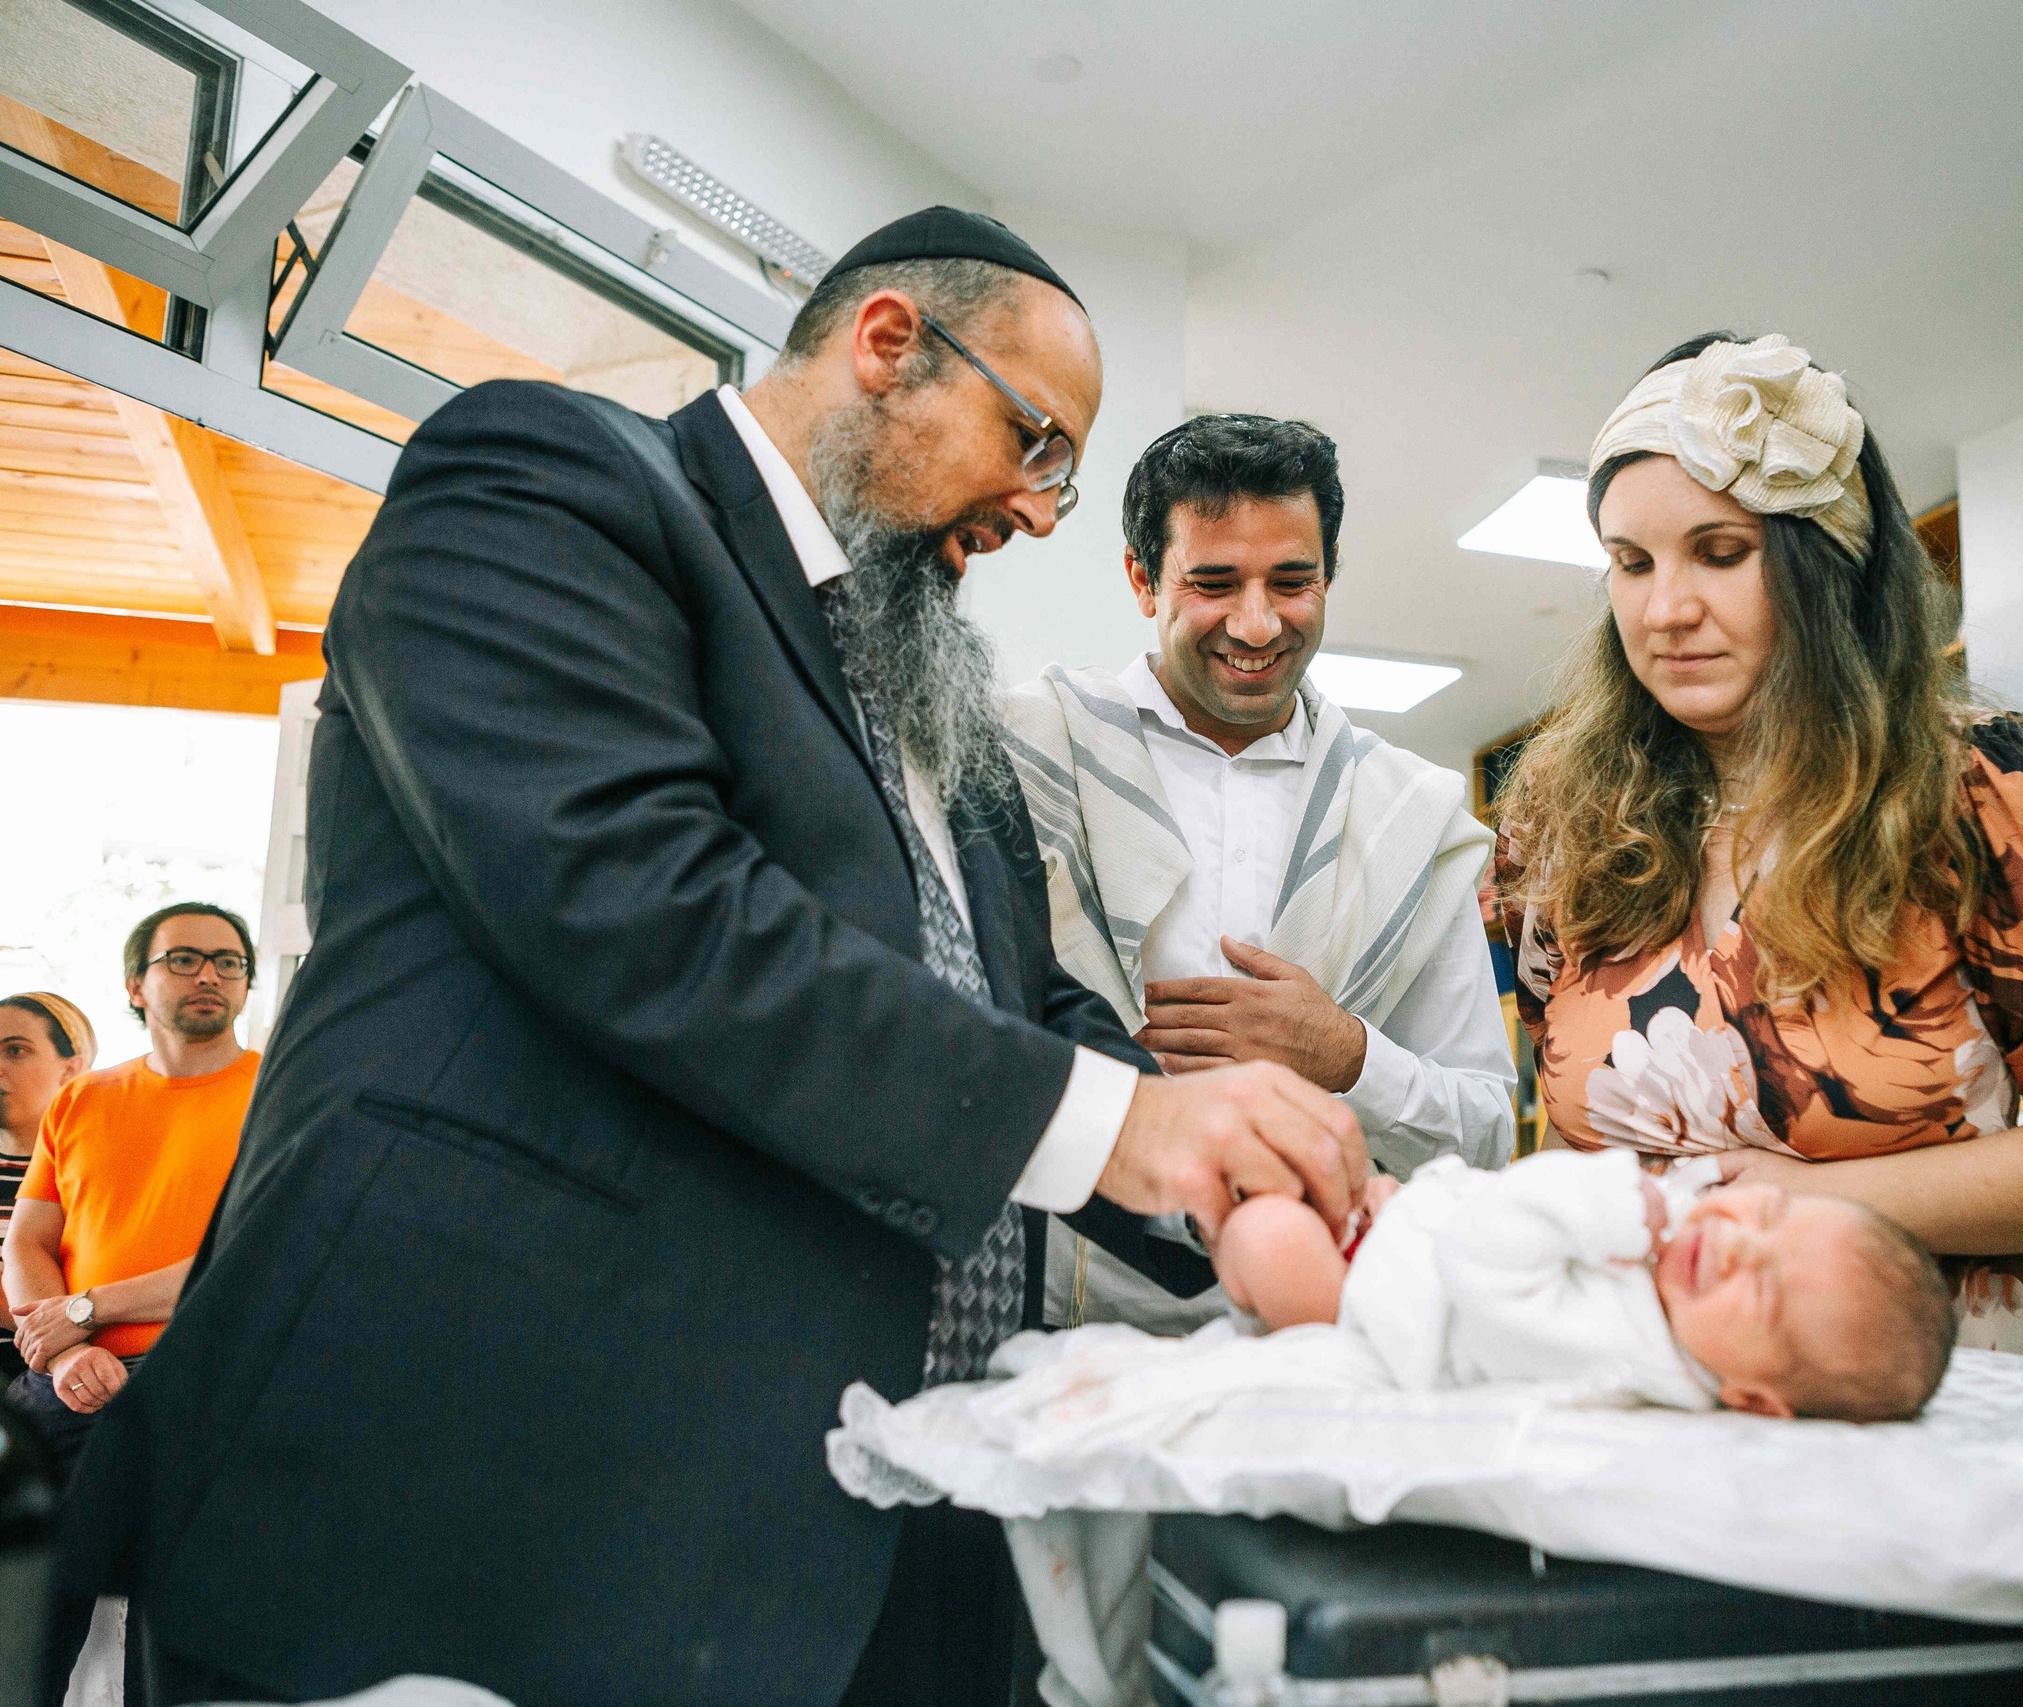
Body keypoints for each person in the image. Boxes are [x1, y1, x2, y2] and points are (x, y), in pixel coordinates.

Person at [59, 208, 1367, 1707]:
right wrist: (1124, 1125)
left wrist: (1254, 1178)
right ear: (888, 344)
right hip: (494, 1497)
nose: (1040, 507)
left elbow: (1030, 1006)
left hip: (876, 1525)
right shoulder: (551, 482)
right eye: (1034, 441)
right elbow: (641, 901)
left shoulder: (930, 691)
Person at [1496, 332, 2023, 1358]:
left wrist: (1828, 1200)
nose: (1665, 610)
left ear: (1824, 561)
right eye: (1631, 563)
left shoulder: (1987, 791)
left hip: (1921, 1378)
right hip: (1643, 1379)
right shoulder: (1558, 821)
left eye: (1721, 552)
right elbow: (1567, 1129)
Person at [1004, 414, 1511, 1332]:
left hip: (1323, 1346)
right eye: (1213, 583)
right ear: (1140, 578)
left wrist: (1349, 1057)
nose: (1257, 623)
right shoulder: (1024, 754)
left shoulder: (1409, 816)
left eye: (1291, 581)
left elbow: (1486, 1134)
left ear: (1329, 574)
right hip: (1048, 1332)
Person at [1212, 1149, 1955, 1423]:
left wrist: (1607, 1201)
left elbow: (1486, 1260)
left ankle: (1225, 1248)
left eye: (1760, 1291)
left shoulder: (1620, 1350)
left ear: (1752, 1397)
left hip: (1379, 1305)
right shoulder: (1683, 1279)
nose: (1736, 1245)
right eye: (1767, 1214)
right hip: (1410, 1231)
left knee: (1267, 1235)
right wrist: (1413, 1200)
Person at [5, 909, 255, 1707]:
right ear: (135, 984)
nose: (209, 973)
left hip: (212, 1388)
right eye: (183, 958)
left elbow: (244, 1255)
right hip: (68, 1388)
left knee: (175, 1647)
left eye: (228, 961)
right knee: (20, 1629)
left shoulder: (280, 1098)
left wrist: (86, 1310)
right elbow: (27, 1242)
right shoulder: (81, 1099)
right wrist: (68, 1351)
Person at [0, 992, 95, 1382]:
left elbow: (99, 1292)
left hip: (60, 1380)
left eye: (16, 1051)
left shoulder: (94, 1172)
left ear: (70, 1069)